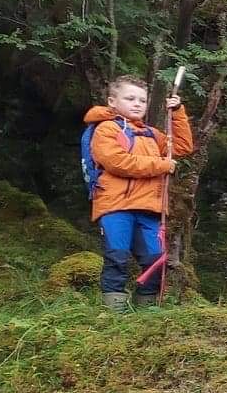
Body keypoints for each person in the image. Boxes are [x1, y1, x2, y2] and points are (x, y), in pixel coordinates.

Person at [83, 75, 193, 310]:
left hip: (149, 209)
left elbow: (182, 147)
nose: (137, 104)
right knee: (117, 255)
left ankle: (147, 308)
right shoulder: (106, 130)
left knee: (155, 259)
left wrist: (177, 113)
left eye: (142, 100)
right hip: (115, 206)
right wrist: (162, 166)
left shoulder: (152, 135)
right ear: (112, 101)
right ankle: (114, 308)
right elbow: (118, 162)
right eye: (130, 98)